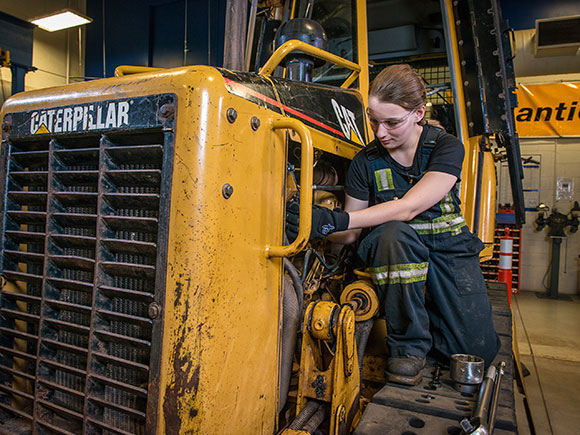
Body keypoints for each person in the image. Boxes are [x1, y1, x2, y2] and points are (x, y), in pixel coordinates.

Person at [287, 64, 500, 386]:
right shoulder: (365, 162)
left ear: (418, 113)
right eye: (373, 120)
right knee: (391, 236)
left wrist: (337, 220)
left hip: (449, 250)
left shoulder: (446, 147)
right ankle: (408, 347)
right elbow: (350, 235)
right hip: (395, 251)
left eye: (392, 122)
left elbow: (410, 206)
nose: (380, 132)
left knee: (475, 351)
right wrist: (314, 224)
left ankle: (436, 326)